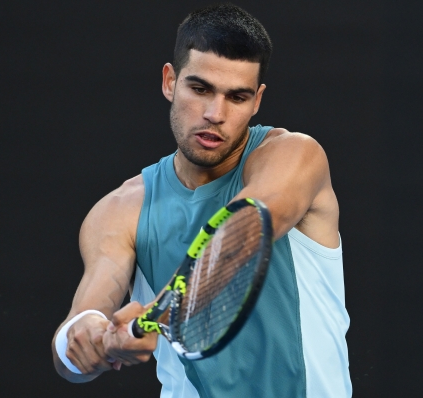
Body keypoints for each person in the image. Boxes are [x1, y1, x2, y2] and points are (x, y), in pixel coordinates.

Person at [51, 3, 351, 397]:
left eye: (237, 97)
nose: (215, 113)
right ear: (169, 81)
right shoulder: (120, 209)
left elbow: (247, 230)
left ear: (257, 101)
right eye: (200, 88)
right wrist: (92, 340)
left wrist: (157, 312)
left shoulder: (294, 156)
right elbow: (74, 345)